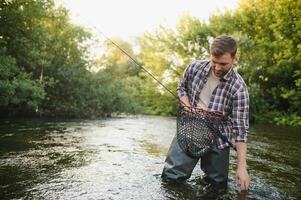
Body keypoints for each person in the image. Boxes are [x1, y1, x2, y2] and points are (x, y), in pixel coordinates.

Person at [161, 35, 250, 191]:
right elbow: (181, 88)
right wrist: (187, 105)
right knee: (171, 179)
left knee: (216, 187)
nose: (217, 68)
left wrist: (242, 167)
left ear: (234, 58)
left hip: (219, 137)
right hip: (189, 130)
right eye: (214, 62)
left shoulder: (239, 88)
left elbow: (240, 130)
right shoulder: (194, 67)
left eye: (223, 64)